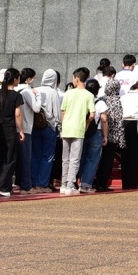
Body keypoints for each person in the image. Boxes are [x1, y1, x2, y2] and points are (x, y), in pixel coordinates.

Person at [0, 68, 24, 198]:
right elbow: (18, 114)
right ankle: (2, 186)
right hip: (9, 129)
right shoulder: (16, 95)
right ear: (15, 79)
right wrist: (21, 130)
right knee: (10, 158)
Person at [58, 67, 94, 196]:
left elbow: (63, 111)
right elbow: (92, 114)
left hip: (66, 128)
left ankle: (63, 184)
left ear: (77, 79)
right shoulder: (89, 95)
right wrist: (86, 123)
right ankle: (70, 184)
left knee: (65, 158)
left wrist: (65, 122)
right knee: (75, 158)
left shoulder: (68, 93)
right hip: (79, 129)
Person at [31, 69, 61, 192]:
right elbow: (57, 113)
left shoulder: (36, 90)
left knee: (35, 155)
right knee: (47, 156)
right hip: (50, 127)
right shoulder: (53, 92)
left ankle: (33, 182)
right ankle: (42, 184)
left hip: (35, 126)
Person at [93, 79, 125, 192]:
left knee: (97, 159)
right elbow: (118, 121)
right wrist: (121, 139)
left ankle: (93, 181)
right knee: (107, 161)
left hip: (99, 133)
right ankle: (102, 184)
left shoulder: (102, 99)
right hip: (112, 136)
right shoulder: (117, 101)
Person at [77, 80, 103, 191]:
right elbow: (104, 119)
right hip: (96, 132)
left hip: (82, 131)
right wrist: (105, 135)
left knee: (80, 158)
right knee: (92, 159)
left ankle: (75, 181)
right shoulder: (100, 102)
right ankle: (86, 184)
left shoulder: (82, 99)